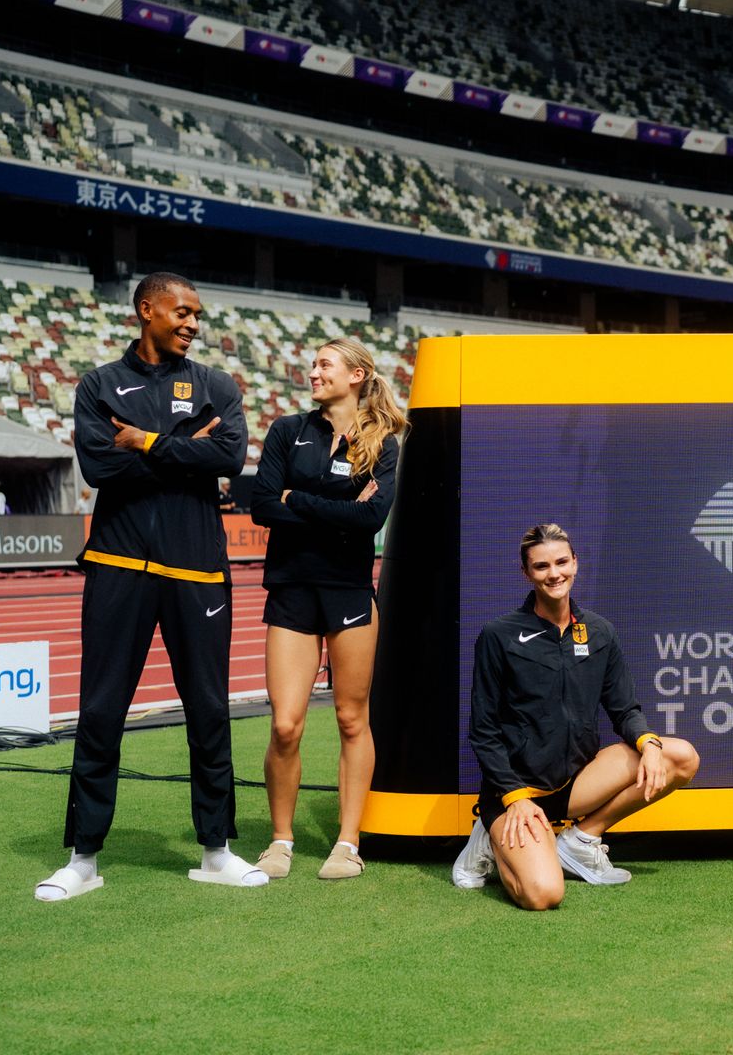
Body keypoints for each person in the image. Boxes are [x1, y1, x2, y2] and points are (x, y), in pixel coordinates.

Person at [34, 272, 259, 901]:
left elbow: (230, 460)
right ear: (146, 309)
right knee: (102, 709)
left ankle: (216, 850)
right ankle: (83, 859)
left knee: (210, 712)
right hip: (119, 564)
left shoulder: (216, 384)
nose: (191, 322)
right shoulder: (99, 385)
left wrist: (150, 441)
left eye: (197, 314)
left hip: (196, 569)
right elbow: (99, 465)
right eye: (181, 311)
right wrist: (187, 448)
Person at [452, 523, 701, 909]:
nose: (554, 574)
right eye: (541, 567)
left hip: (575, 785)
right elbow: (483, 732)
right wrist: (514, 797)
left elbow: (625, 709)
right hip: (516, 793)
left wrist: (648, 742)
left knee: (680, 757)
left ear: (575, 563)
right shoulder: (499, 635)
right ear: (526, 574)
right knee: (543, 895)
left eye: (562, 562)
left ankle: (581, 841)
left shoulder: (599, 632)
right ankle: (487, 838)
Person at [247, 339, 405, 882]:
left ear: (357, 375)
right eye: (312, 365)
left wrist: (299, 499)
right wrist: (334, 510)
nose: (312, 372)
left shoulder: (384, 442)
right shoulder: (288, 431)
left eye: (324, 365)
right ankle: (281, 840)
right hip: (291, 589)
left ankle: (347, 842)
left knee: (350, 718)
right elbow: (262, 503)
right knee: (286, 725)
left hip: (348, 590)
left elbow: (370, 521)